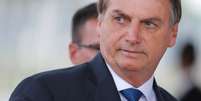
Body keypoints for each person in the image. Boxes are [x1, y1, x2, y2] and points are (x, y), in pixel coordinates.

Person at [9, 0, 182, 101]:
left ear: (172, 34)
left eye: (149, 24)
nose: (133, 37)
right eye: (120, 19)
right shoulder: (42, 94)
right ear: (100, 24)